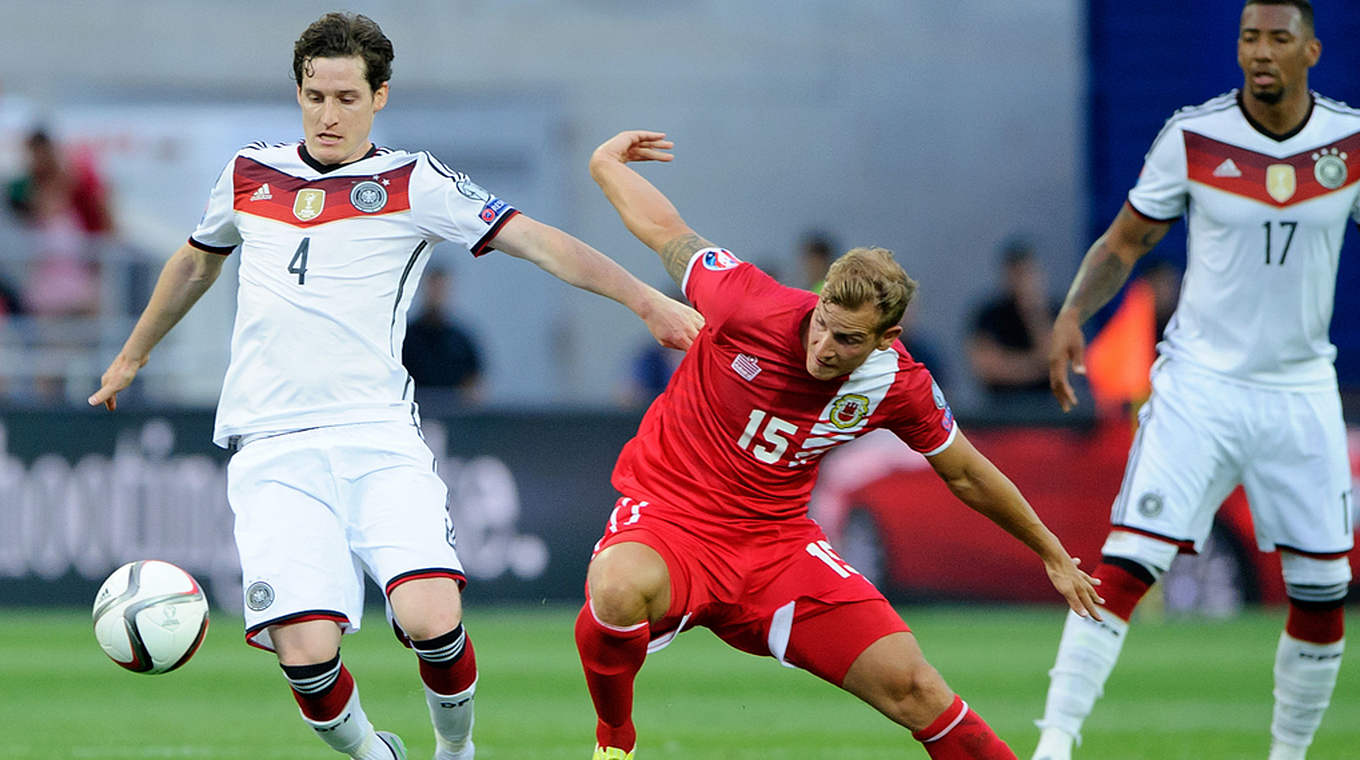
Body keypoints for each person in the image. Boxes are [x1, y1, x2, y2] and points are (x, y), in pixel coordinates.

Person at [89, 14, 701, 760]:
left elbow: (539, 242)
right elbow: (195, 262)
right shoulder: (249, 173)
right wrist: (132, 355)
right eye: (315, 96)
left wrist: (646, 301)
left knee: (429, 617)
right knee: (308, 657)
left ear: (380, 96)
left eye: (347, 97)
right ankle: (380, 756)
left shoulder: (415, 182)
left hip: (376, 436)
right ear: (298, 92)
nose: (329, 114)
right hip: (271, 448)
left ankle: (456, 749)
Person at [576, 129, 1103, 760]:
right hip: (674, 521)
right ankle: (615, 742)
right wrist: (604, 163)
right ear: (819, 297)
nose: (824, 348)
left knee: (916, 687)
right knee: (614, 587)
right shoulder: (748, 302)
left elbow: (966, 473)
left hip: (777, 548)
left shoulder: (897, 382)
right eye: (823, 324)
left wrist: (1050, 552)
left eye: (848, 340)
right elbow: (668, 230)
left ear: (887, 337)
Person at [1036, 3, 1354, 759]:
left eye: (1279, 38)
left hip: (1302, 391)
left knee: (1321, 593)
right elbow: (1125, 241)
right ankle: (1053, 744)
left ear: (1311, 49)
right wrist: (1073, 314)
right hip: (1200, 388)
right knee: (1124, 565)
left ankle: (1289, 755)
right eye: (1250, 38)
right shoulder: (1196, 138)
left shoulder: (1351, 142)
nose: (1261, 53)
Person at [966, 237, 1058, 403]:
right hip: (1000, 412)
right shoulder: (988, 315)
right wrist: (1038, 366)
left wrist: (1034, 312)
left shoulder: (1053, 313)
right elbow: (988, 369)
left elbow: (1057, 362)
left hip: (1047, 412)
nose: (1021, 281)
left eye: (1027, 273)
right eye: (1016, 273)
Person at [402, 266, 484, 404]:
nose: (437, 294)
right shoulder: (405, 337)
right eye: (433, 287)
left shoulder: (461, 340)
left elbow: (474, 384)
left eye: (441, 289)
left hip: (453, 415)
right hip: (414, 411)